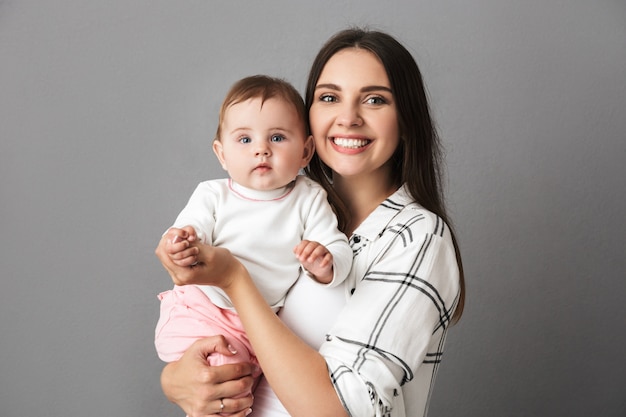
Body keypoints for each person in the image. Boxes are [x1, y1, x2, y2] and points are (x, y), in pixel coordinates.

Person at [155, 28, 465, 417]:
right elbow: (247, 351)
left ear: (406, 120)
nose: (348, 118)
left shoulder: (417, 237)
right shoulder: (294, 208)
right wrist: (177, 380)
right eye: (329, 97)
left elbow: (343, 410)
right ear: (308, 117)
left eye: (374, 100)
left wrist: (233, 278)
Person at [154, 75, 352, 378]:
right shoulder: (213, 194)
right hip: (204, 307)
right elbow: (192, 228)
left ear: (305, 151)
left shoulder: (308, 198)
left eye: (277, 138)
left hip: (258, 323)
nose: (262, 149)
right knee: (220, 376)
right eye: (245, 140)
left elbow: (336, 245)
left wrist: (325, 262)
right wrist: (181, 242)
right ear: (222, 154)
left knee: (240, 392)